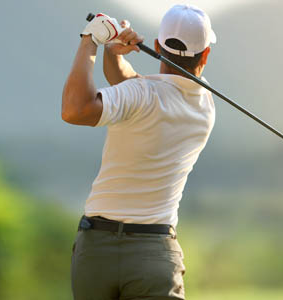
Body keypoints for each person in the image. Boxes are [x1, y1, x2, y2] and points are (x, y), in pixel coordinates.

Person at [60, 4, 217, 300]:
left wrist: (90, 40)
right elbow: (136, 90)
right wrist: (112, 53)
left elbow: (74, 109)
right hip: (154, 254)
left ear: (157, 46)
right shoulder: (205, 105)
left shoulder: (140, 95)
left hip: (96, 251)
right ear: (205, 54)